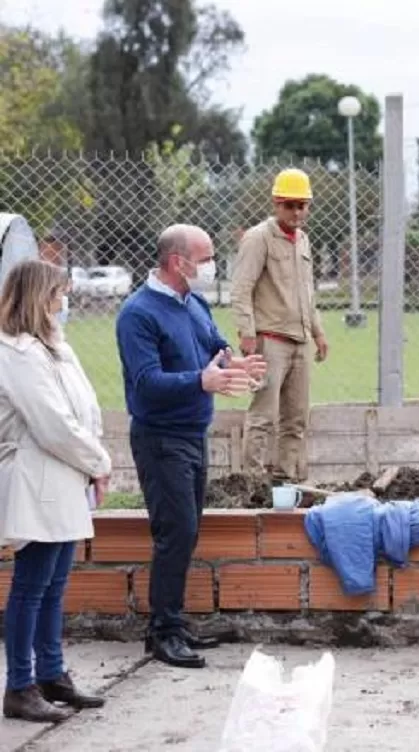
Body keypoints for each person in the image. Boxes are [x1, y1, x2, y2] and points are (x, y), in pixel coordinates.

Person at [116, 225, 265, 669]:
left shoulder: (194, 302)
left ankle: (174, 623)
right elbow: (146, 383)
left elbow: (213, 346)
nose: (210, 265)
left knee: (187, 530)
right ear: (177, 262)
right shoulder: (138, 314)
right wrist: (201, 380)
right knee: (175, 532)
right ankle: (163, 632)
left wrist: (231, 363)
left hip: (193, 433)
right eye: (205, 258)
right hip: (161, 437)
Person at [0, 260, 111, 722]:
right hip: (37, 477)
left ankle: (51, 674)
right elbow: (52, 425)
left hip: (65, 475)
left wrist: (92, 463)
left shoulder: (55, 348)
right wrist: (99, 463)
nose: (63, 302)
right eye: (58, 294)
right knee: (31, 585)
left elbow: (84, 408)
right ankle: (19, 686)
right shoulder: (16, 353)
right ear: (38, 299)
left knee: (55, 584)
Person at [231, 168, 328, 483]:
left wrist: (318, 332)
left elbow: (307, 292)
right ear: (276, 203)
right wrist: (247, 333)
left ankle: (287, 482)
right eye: (290, 204)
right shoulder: (258, 238)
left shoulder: (303, 240)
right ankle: (254, 483)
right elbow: (241, 288)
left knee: (296, 419)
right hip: (269, 340)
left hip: (299, 341)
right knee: (263, 416)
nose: (297, 211)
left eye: (303, 205)